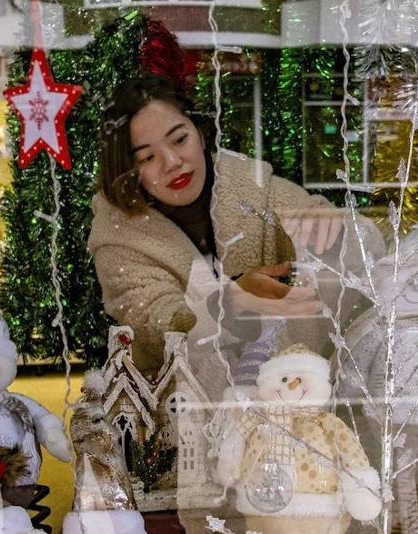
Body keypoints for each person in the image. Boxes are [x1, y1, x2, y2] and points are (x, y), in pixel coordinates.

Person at [89, 75, 383, 380]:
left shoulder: (255, 189)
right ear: (129, 170)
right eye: (148, 157)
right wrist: (226, 307)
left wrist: (335, 232)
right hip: (183, 410)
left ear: (200, 135)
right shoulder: (119, 238)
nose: (172, 161)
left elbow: (368, 249)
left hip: (293, 395)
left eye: (179, 139)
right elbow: (155, 324)